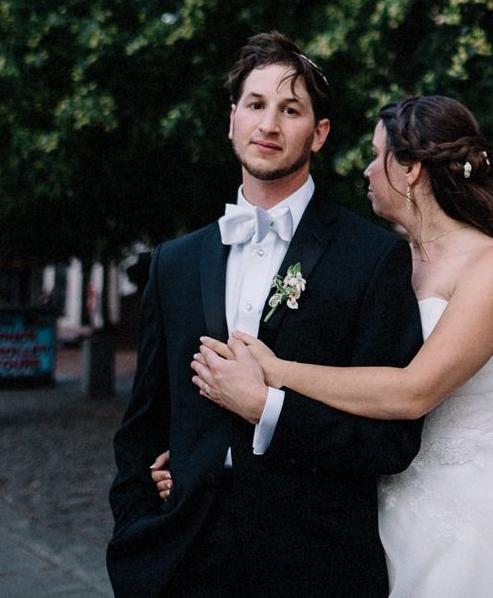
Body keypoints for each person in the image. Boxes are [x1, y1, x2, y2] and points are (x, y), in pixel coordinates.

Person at [189, 94, 493, 597]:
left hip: (468, 514)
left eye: (377, 156)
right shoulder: (387, 263)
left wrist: (277, 371)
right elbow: (348, 378)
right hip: (375, 499)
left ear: (411, 168)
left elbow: (415, 391)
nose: (368, 171)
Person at [107, 33, 425, 598]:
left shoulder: (372, 258)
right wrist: (138, 525)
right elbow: (144, 423)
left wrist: (267, 409)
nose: (269, 124)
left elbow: (391, 442)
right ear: (233, 120)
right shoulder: (174, 263)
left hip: (314, 561)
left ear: (319, 133)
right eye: (255, 105)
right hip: (186, 557)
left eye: (290, 109)